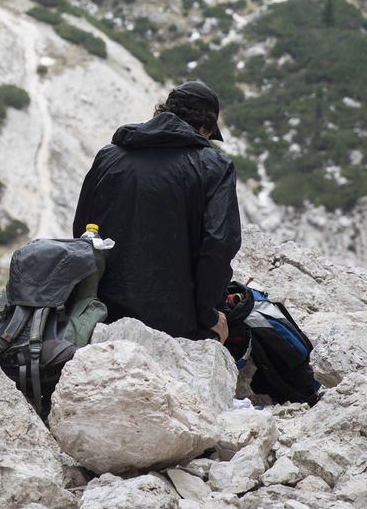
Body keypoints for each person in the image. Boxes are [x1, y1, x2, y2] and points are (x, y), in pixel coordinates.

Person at [72, 81, 241, 342]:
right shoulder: (214, 167)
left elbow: (82, 232)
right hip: (178, 325)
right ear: (205, 127)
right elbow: (218, 245)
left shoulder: (109, 156)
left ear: (161, 112)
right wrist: (207, 314)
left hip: (105, 316)